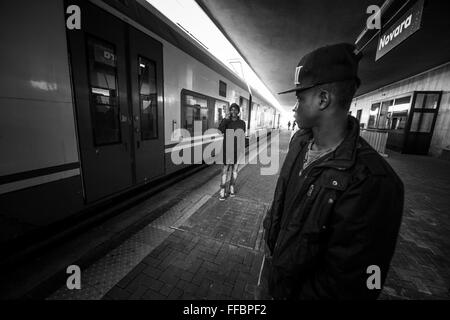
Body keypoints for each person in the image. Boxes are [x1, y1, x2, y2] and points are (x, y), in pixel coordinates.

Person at [258, 43, 404, 300]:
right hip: (276, 277)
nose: (294, 108)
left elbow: (350, 284)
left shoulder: (373, 182)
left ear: (323, 99)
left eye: (300, 98)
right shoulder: (299, 142)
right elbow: (284, 201)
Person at [218, 103, 246, 201]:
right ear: (230, 111)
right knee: (225, 170)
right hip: (227, 149)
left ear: (238, 111)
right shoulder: (226, 121)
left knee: (234, 170)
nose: (233, 111)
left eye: (235, 110)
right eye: (232, 109)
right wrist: (225, 119)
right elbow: (220, 130)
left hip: (237, 150)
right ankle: (222, 190)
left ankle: (231, 187)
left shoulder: (242, 123)